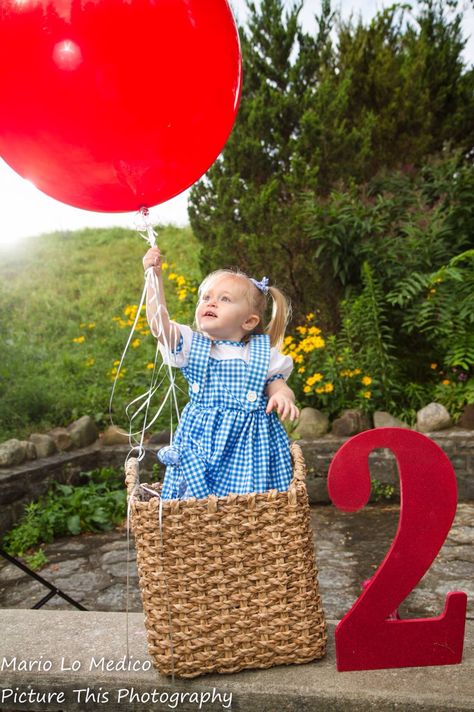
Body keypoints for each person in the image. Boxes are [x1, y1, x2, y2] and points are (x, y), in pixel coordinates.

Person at [142, 246, 300, 500]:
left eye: (224, 299)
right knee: (198, 502)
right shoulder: (193, 345)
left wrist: (283, 396)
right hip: (202, 443)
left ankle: (248, 528)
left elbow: (277, 383)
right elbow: (158, 325)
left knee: (251, 502)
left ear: (248, 322)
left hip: (251, 448)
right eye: (206, 298)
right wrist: (154, 278)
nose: (211, 302)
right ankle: (204, 529)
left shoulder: (260, 352)